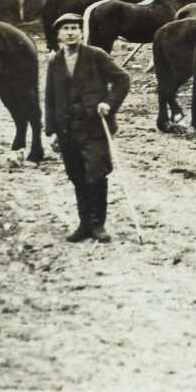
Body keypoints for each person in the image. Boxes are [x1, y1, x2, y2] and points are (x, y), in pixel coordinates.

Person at [44, 13, 130, 243]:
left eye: (74, 28)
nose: (70, 32)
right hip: (68, 129)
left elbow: (123, 79)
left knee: (97, 173)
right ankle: (84, 224)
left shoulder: (96, 55)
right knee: (77, 176)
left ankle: (98, 224)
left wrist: (108, 104)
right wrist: (51, 128)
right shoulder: (55, 61)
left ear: (81, 32)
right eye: (66, 29)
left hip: (95, 127)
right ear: (59, 34)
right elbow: (50, 95)